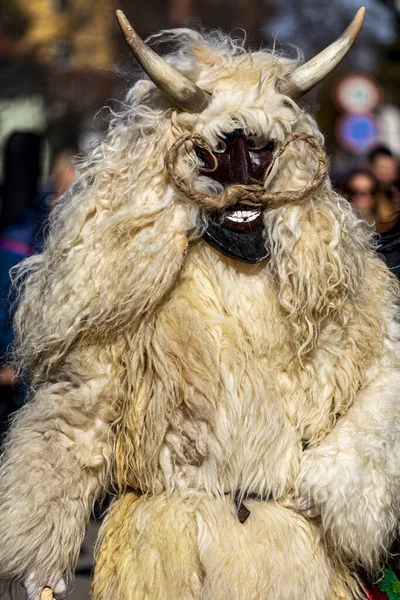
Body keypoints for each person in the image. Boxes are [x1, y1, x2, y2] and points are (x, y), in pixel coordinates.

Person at [1, 8, 400, 600]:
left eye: (260, 154)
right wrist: (42, 538)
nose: (241, 180)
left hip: (295, 558)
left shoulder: (333, 281)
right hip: (165, 557)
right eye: (217, 154)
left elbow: (384, 376)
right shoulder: (131, 286)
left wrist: (348, 470)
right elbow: (79, 409)